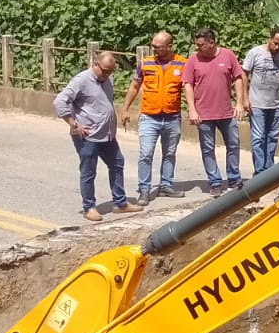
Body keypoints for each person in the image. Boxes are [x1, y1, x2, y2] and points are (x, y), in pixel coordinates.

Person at [54, 50, 137, 222]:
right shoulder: (82, 80)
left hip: (107, 135)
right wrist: (73, 124)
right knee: (88, 171)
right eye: (104, 70)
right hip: (88, 136)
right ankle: (89, 207)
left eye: (110, 71)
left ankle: (120, 203)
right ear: (95, 64)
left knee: (117, 163)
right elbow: (60, 101)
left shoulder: (107, 79)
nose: (106, 74)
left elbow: (105, 103)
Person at [119, 30, 186, 205]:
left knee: (170, 153)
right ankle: (144, 189)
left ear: (169, 47)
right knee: (146, 154)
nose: (154, 50)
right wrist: (125, 108)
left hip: (172, 117)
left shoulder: (182, 64)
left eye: (158, 47)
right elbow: (134, 86)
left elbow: (191, 89)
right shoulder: (145, 63)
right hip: (149, 117)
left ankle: (166, 185)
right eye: (153, 46)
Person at [183, 26, 246, 195]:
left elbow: (238, 78)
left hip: (226, 112)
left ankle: (234, 178)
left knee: (233, 145)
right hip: (203, 114)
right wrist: (192, 109)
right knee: (207, 149)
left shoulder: (228, 55)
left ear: (212, 43)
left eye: (201, 44)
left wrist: (239, 103)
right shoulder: (193, 60)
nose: (197, 48)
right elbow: (187, 85)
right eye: (196, 44)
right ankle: (214, 181)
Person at [241, 27, 279, 174]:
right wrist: (244, 98)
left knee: (273, 136)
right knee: (258, 137)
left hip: (275, 104)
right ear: (269, 38)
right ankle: (259, 170)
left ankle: (269, 169)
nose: (277, 47)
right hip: (257, 103)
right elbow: (244, 74)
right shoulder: (255, 53)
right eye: (275, 43)